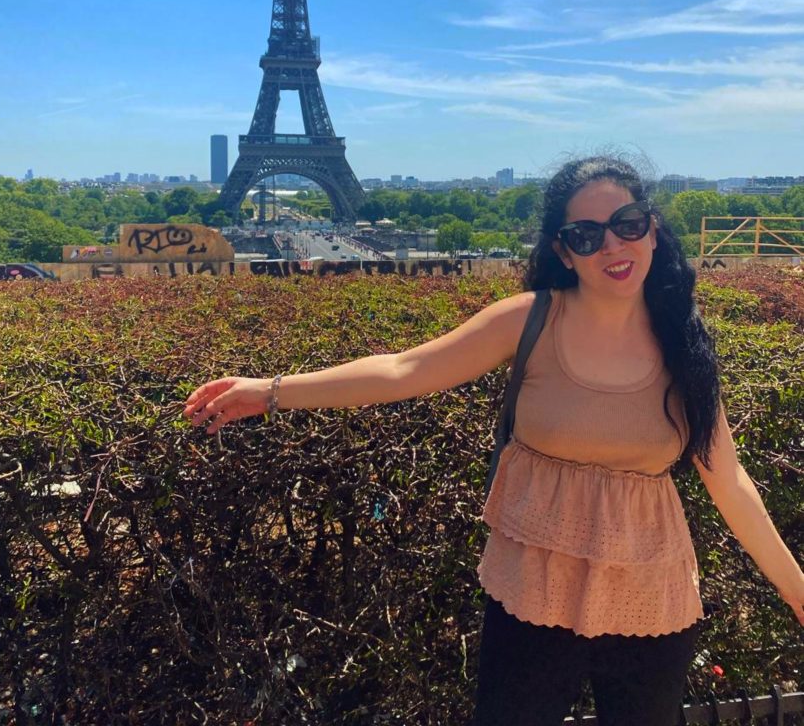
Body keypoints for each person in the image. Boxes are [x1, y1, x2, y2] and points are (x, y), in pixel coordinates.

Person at [183, 154, 804, 726]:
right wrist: (271, 391)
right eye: (586, 235)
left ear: (652, 228)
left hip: (650, 596)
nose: (613, 245)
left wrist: (797, 591)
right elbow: (405, 370)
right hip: (534, 593)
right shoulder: (530, 320)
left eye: (628, 224)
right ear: (564, 252)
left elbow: (729, 481)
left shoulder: (683, 340)